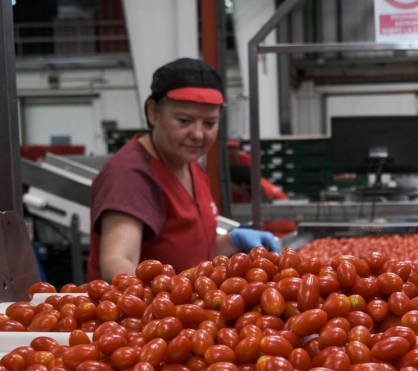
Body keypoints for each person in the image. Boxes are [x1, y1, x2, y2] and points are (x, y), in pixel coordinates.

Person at [87, 58, 278, 282]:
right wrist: (166, 298)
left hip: (188, 310)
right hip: (148, 314)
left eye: (209, 124)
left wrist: (231, 242)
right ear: (153, 113)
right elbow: (118, 262)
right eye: (184, 121)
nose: (198, 134)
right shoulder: (130, 175)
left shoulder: (192, 166)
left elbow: (186, 251)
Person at [229, 164, 297, 238]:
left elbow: (261, 217)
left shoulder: (259, 190)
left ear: (242, 185)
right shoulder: (260, 183)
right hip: (281, 228)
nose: (233, 190)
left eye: (233, 186)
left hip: (280, 231)